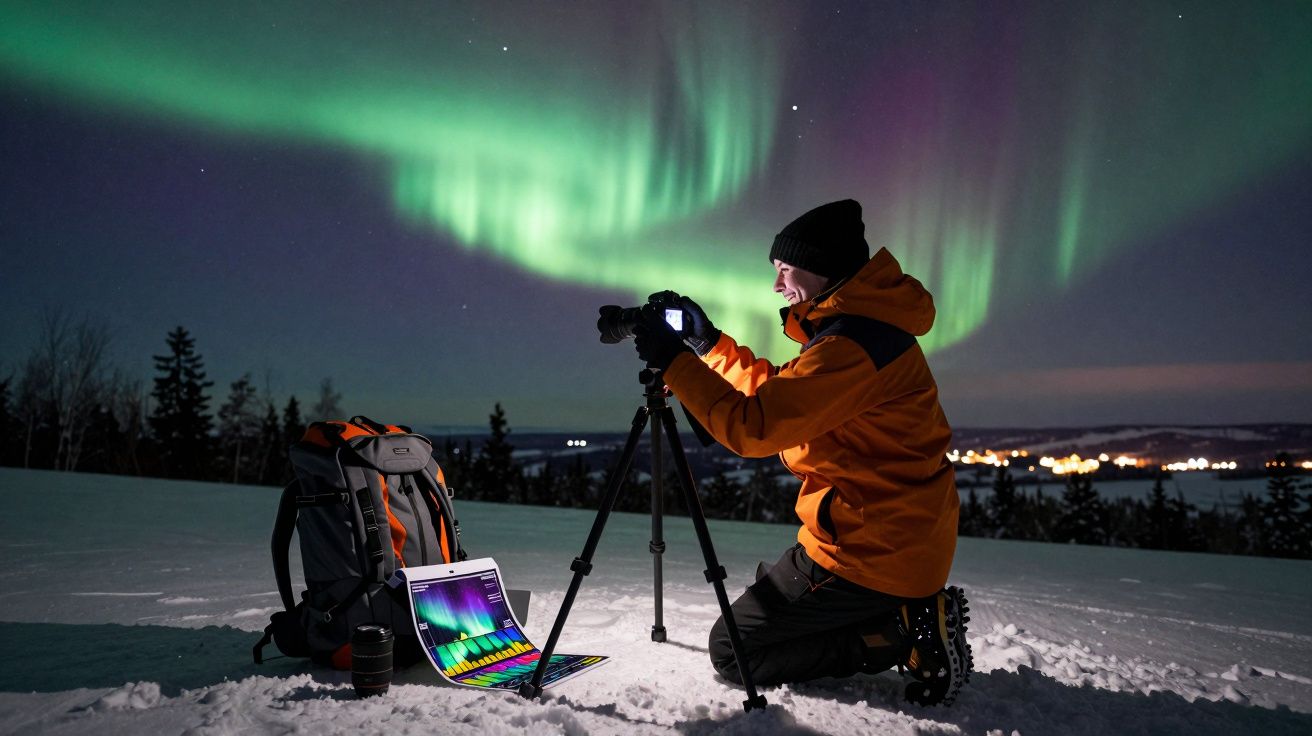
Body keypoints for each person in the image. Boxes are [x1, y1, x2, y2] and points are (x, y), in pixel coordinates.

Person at [632, 198, 971, 706]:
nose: (777, 285)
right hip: (890, 537)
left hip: (870, 553)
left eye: (785, 269)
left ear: (823, 268)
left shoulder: (850, 346)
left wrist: (675, 363)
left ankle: (900, 631)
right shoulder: (861, 330)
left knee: (733, 651)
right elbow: (782, 395)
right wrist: (709, 345)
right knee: (767, 606)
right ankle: (889, 610)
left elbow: (754, 427)